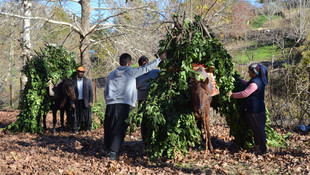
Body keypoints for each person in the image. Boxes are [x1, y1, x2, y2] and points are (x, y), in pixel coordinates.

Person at [104, 52, 166, 161]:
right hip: (123, 104)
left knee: (109, 126)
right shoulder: (131, 72)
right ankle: (113, 153)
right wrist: (159, 59)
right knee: (119, 128)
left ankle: (107, 148)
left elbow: (106, 90)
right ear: (129, 63)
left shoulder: (112, 74)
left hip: (110, 104)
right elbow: (146, 69)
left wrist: (108, 100)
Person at [229, 63, 268, 155]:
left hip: (255, 110)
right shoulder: (258, 80)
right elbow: (249, 85)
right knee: (258, 129)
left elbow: (245, 93)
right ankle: (260, 147)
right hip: (258, 109)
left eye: (249, 70)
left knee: (258, 129)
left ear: (253, 72)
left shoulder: (255, 82)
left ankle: (262, 149)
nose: (248, 72)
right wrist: (240, 80)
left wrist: (232, 95)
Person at [136, 56, 161, 142]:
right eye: (143, 65)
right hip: (142, 99)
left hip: (153, 100)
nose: (145, 66)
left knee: (154, 118)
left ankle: (154, 137)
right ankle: (145, 137)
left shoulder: (156, 72)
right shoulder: (137, 74)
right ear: (139, 65)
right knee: (143, 119)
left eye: (147, 64)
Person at [73, 66, 93, 134]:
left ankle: (88, 128)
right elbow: (71, 93)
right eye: (79, 72)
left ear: (83, 73)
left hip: (86, 101)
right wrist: (72, 102)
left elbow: (91, 92)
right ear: (77, 72)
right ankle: (76, 129)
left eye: (82, 72)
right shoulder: (74, 82)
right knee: (76, 115)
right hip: (77, 101)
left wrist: (90, 101)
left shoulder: (88, 81)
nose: (80, 73)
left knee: (87, 115)